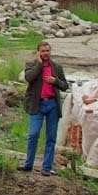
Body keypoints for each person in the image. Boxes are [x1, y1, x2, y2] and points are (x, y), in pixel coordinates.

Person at [18, 40, 69, 176]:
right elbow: (29, 78)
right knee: (33, 134)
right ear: (38, 53)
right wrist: (39, 65)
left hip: (52, 104)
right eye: (43, 51)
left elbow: (65, 85)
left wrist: (55, 81)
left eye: (47, 51)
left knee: (51, 137)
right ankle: (28, 163)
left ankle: (46, 167)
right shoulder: (31, 65)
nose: (46, 53)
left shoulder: (56, 67)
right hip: (37, 104)